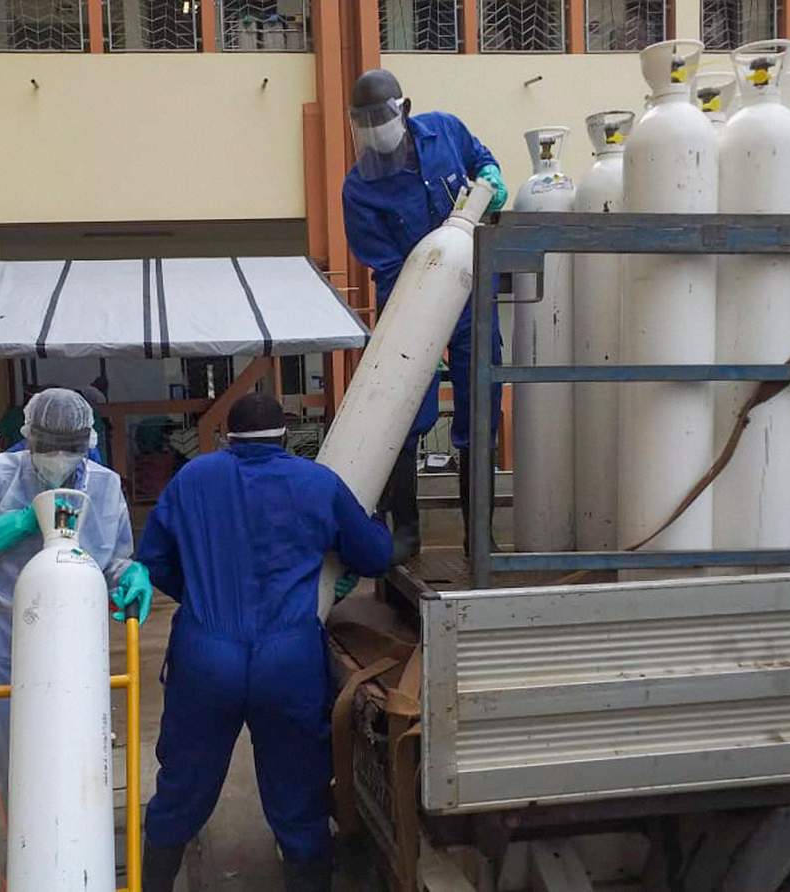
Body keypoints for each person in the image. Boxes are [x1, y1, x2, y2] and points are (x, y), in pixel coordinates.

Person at [136, 393, 393, 892]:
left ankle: (156, 879)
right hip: (287, 655)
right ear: (286, 436)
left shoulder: (192, 479)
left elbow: (155, 559)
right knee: (297, 787)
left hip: (206, 651)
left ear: (227, 436)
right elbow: (374, 554)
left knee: (184, 781)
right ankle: (307, 875)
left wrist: (200, 597)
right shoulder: (317, 482)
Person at [0, 388, 148, 792]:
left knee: (79, 764)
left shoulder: (105, 487)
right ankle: (23, 850)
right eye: (49, 448)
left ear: (88, 444)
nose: (59, 458)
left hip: (78, 640)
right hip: (7, 638)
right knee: (18, 767)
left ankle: (82, 852)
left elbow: (112, 557)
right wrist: (4, 530)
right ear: (29, 439)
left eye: (69, 449)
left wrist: (129, 574)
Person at [342, 68, 507, 561]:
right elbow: (387, 266)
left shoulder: (446, 131)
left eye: (380, 117)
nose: (374, 128)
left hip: (472, 300)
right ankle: (406, 531)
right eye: (363, 121)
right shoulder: (359, 189)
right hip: (409, 304)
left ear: (404, 108)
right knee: (404, 414)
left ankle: (480, 532)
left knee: (480, 408)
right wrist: (415, 328)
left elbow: (481, 160)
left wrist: (492, 178)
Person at [5, 383, 107, 465]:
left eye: (70, 450)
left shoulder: (88, 452)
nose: (59, 457)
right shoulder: (20, 451)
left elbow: (97, 479)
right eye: (47, 449)